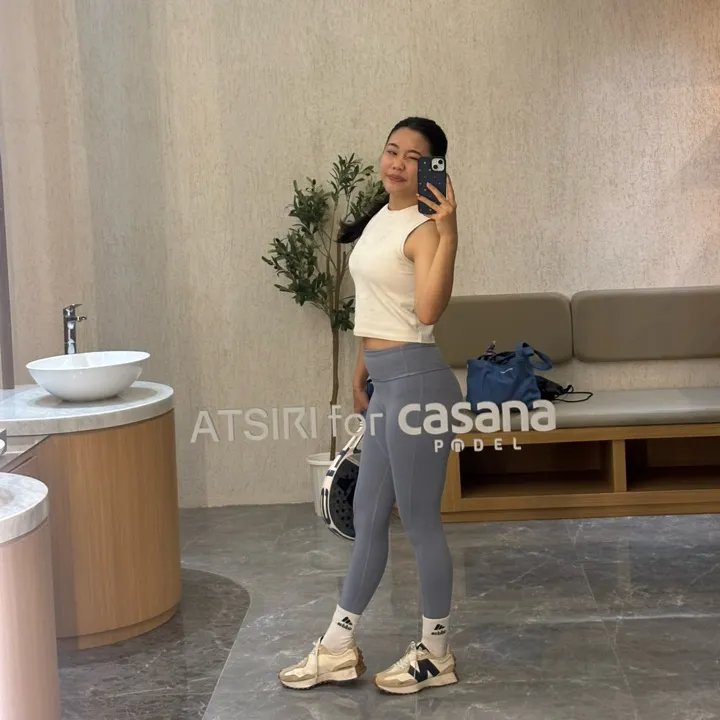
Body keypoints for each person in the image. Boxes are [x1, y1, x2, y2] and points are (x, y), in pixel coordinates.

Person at [278, 117, 463, 695]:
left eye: (413, 157)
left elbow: (426, 312)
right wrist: (361, 373)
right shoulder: (380, 216)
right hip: (388, 384)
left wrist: (450, 232)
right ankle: (337, 648)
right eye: (391, 150)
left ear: (432, 169)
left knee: (421, 522)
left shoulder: (426, 229)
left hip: (418, 386)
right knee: (369, 520)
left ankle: (436, 653)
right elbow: (375, 305)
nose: (397, 163)